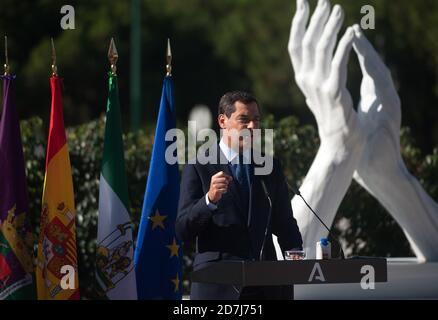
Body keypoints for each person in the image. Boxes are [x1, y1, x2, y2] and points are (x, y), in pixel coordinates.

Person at [176, 91, 303, 300]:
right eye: (244, 119)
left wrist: (297, 257)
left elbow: (285, 224)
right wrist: (208, 200)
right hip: (219, 285)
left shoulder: (269, 167)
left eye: (256, 120)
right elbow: (182, 230)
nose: (253, 127)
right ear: (223, 121)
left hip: (266, 285)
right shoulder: (199, 165)